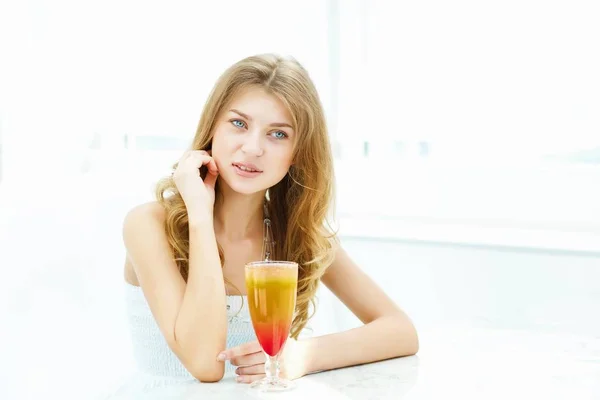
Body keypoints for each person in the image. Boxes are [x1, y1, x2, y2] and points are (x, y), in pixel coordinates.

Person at [122, 53, 418, 385]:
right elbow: (205, 364)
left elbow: (401, 331)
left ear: (297, 154)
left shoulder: (297, 235)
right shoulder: (148, 225)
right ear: (212, 128)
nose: (252, 148)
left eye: (278, 134)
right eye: (238, 124)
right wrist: (200, 216)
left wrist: (302, 355)